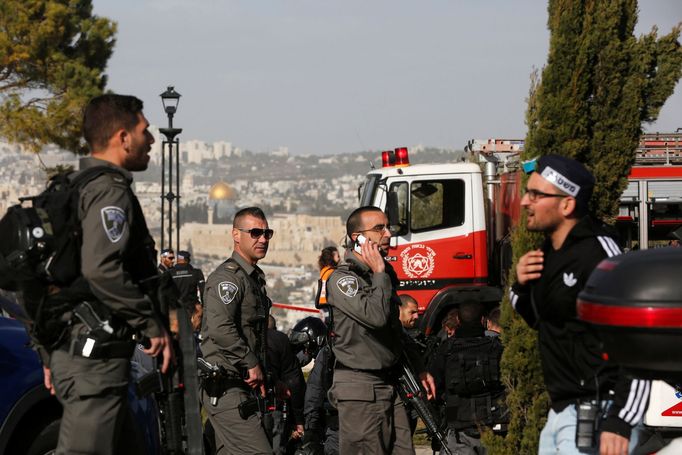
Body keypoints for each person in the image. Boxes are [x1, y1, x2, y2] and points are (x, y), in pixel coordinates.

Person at [42, 94, 174, 454]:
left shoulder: (71, 188)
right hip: (94, 361)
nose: (151, 140)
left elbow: (41, 279)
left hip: (85, 356)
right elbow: (100, 269)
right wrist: (151, 325)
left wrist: (48, 351)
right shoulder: (107, 191)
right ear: (123, 137)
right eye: (144, 131)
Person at [510, 155, 649, 454]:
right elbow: (540, 319)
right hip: (561, 413)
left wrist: (621, 420)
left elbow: (638, 343)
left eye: (536, 194)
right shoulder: (546, 253)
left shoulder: (601, 256)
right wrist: (520, 285)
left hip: (601, 412)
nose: (524, 202)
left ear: (567, 204)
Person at [327, 206, 436, 454]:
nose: (388, 234)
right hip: (360, 388)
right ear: (359, 238)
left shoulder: (383, 276)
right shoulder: (344, 280)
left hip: (389, 384)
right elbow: (375, 317)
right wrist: (379, 273)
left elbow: (395, 330)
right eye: (379, 228)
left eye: (387, 227)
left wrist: (419, 368)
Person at [200, 206, 273, 454]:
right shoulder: (228, 279)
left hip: (242, 386)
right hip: (227, 385)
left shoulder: (252, 278)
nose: (262, 239)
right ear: (236, 234)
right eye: (254, 232)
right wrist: (251, 363)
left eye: (266, 233)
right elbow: (221, 329)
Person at [429, 301, 507, 455]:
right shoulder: (497, 347)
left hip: (458, 425)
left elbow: (434, 386)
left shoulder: (447, 349)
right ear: (484, 320)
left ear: (458, 321)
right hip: (495, 422)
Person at [291, 317, 338, 455]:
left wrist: (310, 429)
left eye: (306, 347)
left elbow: (314, 394)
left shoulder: (325, 354)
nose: (306, 352)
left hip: (336, 424)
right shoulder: (343, 347)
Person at [265, 315, 306, 455]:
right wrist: (298, 420)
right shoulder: (280, 340)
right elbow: (294, 383)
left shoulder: (245, 339)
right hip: (274, 404)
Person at [169, 250, 205, 331]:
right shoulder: (196, 273)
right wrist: (203, 307)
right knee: (193, 335)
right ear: (187, 260)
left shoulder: (170, 273)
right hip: (192, 310)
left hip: (175, 311)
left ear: (178, 260)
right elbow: (203, 291)